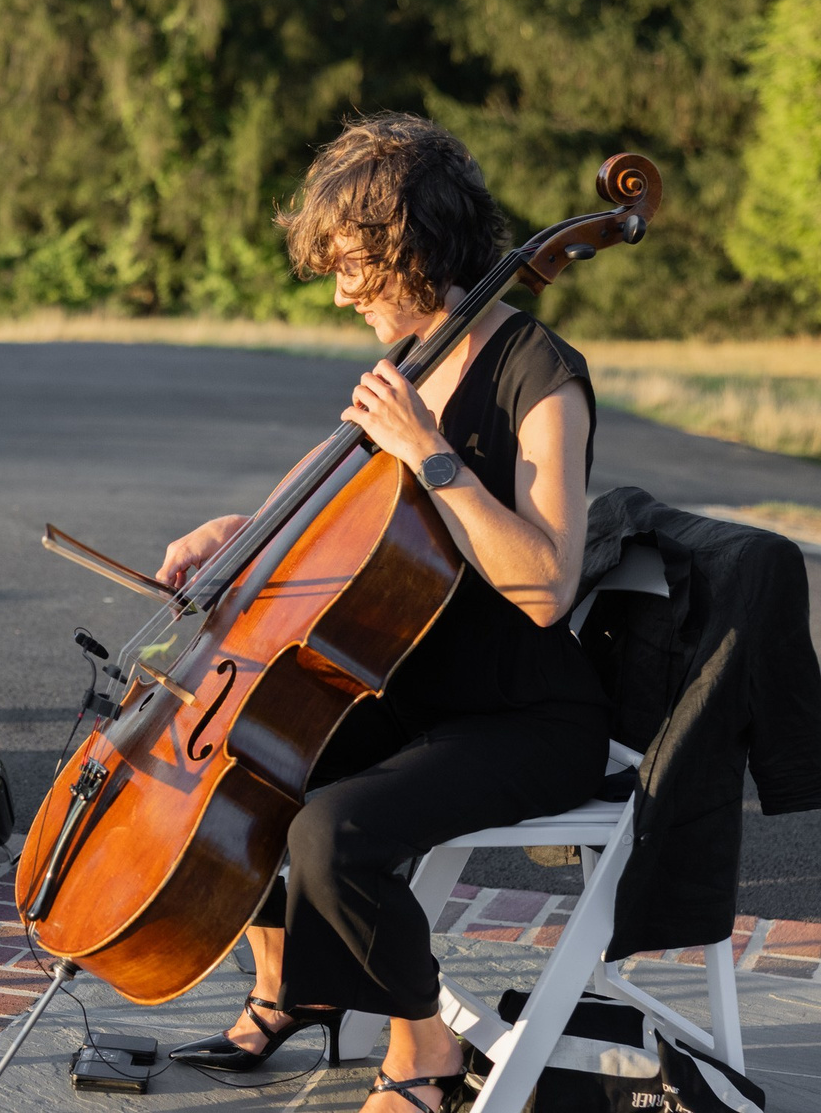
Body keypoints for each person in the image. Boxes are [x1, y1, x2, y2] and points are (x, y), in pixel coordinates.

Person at [158, 115, 608, 1113]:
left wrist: (431, 452)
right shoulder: (411, 357)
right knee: (249, 758)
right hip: (414, 687)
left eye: (353, 265)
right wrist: (237, 532)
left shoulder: (541, 375)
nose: (338, 291)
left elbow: (546, 584)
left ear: (419, 249)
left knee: (333, 830)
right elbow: (331, 507)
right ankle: (289, 988)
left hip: (524, 714)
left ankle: (425, 1055)